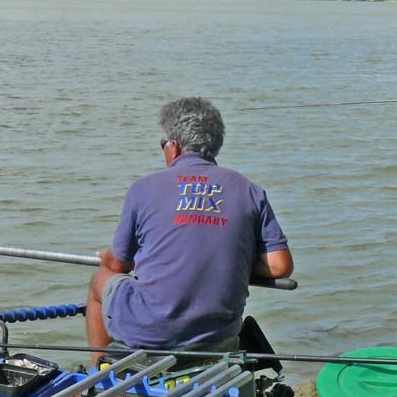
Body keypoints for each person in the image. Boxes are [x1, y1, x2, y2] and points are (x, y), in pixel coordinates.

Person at [86, 96, 294, 368]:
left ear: (174, 146)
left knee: (99, 279)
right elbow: (280, 266)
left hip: (151, 333)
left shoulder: (144, 187)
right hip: (219, 334)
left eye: (163, 144)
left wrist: (111, 255)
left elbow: (118, 263)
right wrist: (227, 259)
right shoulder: (249, 190)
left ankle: (97, 374)